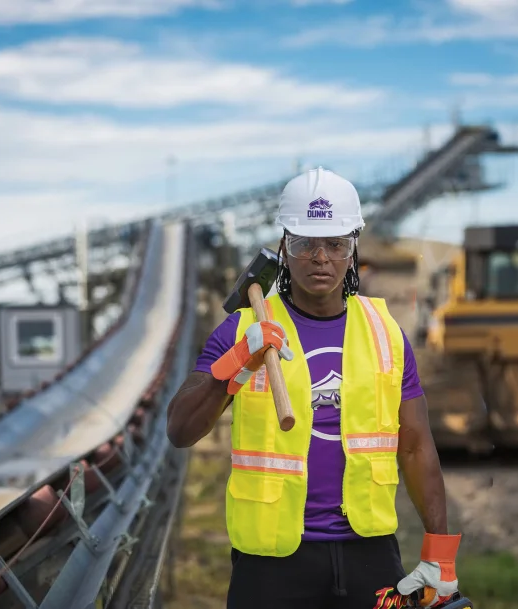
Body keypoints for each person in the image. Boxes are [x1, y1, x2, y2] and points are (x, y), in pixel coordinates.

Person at [166, 167, 461, 609]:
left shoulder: (386, 333)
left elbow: (417, 448)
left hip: (371, 554)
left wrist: (440, 556)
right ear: (285, 247)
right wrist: (235, 366)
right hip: (270, 562)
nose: (320, 257)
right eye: (305, 244)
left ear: (353, 248)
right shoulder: (243, 329)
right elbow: (179, 429)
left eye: (335, 244)